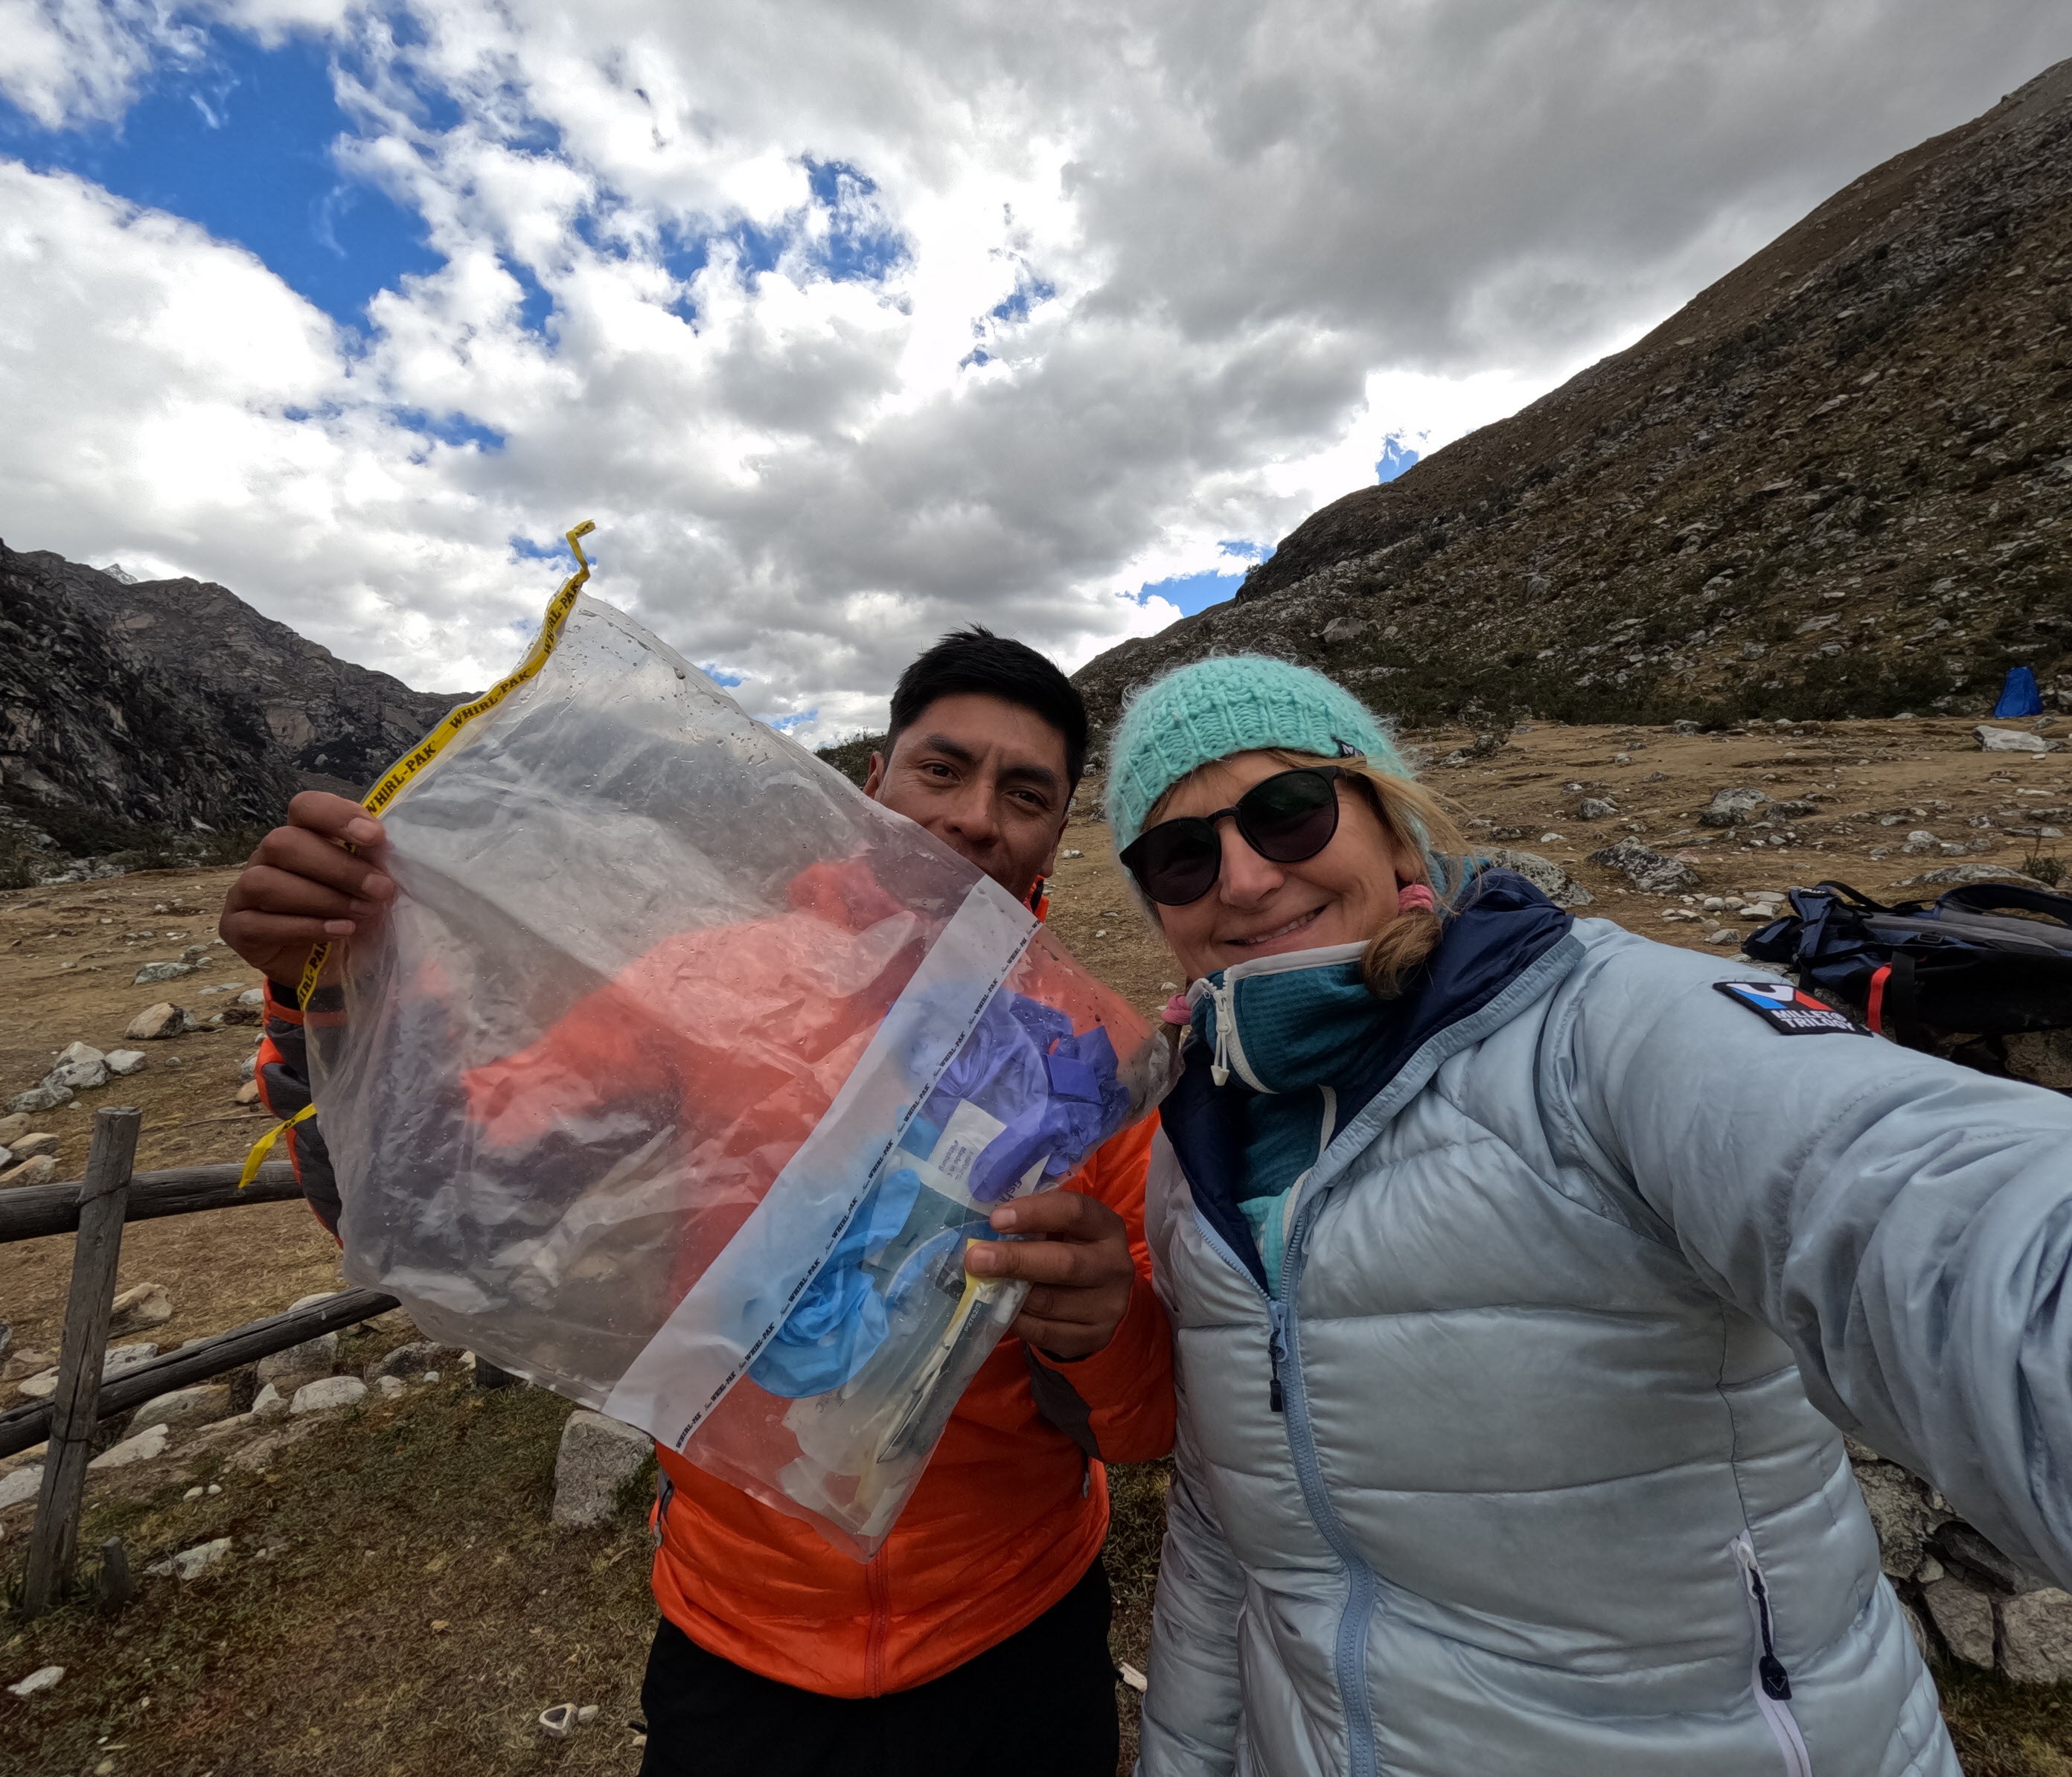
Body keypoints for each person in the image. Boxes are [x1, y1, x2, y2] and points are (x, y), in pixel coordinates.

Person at [220, 627, 1171, 1777]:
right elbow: (444, 1205)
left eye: (1025, 794)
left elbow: (1143, 1425)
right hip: (740, 1637)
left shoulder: (1091, 1065)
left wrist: (1104, 1330)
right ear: (873, 784)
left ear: (1057, 831)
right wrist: (325, 987)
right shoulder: (704, 982)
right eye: (942, 768)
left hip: (1014, 1633)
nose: (975, 817)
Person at [1104, 653, 2072, 1777]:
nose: (1242, 879)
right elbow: (1226, 1536)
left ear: (1395, 826)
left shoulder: (1600, 1031)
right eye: (1181, 856)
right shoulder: (1195, 1147)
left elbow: (1923, 1199)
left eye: (1288, 812)